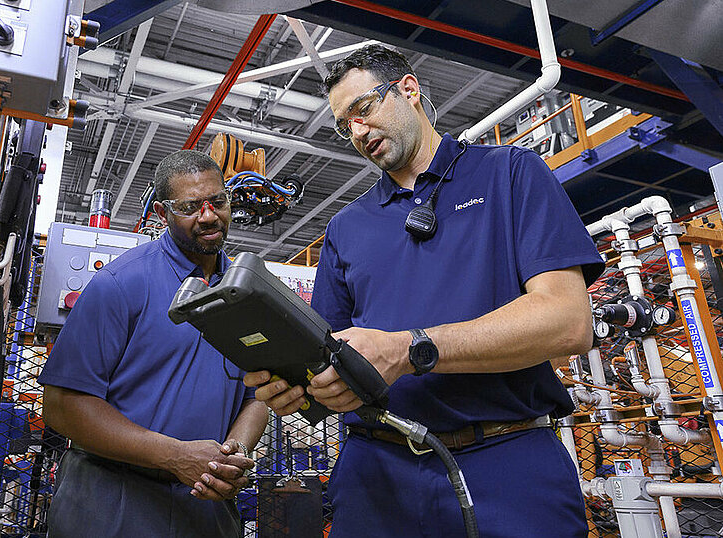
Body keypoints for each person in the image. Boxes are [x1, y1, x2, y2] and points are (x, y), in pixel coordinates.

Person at [245, 45, 603, 537]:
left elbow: (568, 322)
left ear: (409, 90)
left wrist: (408, 349)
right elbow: (330, 360)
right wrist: (301, 391)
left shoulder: (510, 174)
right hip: (376, 471)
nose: (356, 132)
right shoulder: (346, 228)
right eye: (343, 124)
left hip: (506, 462)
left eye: (362, 110)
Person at [39, 150, 269, 537]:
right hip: (113, 501)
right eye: (191, 207)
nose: (209, 216)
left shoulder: (248, 292)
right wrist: (175, 456)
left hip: (207, 505)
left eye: (219, 201)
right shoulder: (120, 284)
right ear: (163, 214)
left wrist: (234, 455)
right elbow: (62, 407)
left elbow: (258, 395)